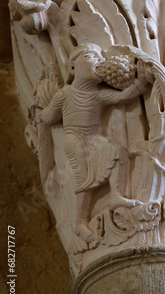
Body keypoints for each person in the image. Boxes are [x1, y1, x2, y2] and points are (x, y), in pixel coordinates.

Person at [39, 43, 148, 247]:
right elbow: (49, 116)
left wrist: (142, 83)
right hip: (74, 138)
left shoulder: (98, 94)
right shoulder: (65, 94)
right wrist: (41, 110)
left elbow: (123, 96)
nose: (99, 62)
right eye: (91, 56)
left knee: (117, 151)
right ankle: (80, 222)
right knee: (85, 178)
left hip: (93, 136)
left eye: (101, 58)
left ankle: (115, 195)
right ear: (72, 68)